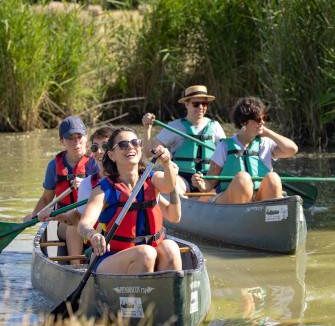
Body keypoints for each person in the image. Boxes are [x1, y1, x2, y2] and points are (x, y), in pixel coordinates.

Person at [78, 128, 183, 274]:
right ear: (111, 155)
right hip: (112, 257)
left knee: (170, 247)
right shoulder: (103, 190)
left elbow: (168, 186)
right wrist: (93, 235)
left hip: (149, 252)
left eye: (135, 142)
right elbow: (83, 225)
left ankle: (168, 293)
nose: (130, 147)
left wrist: (167, 163)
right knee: (145, 253)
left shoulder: (153, 179)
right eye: (123, 145)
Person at [191, 97, 298, 204]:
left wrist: (268, 133)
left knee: (273, 178)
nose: (262, 123)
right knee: (243, 178)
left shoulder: (266, 143)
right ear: (244, 122)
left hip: (258, 199)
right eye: (257, 119)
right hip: (230, 199)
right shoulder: (224, 146)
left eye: (263, 118)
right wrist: (201, 184)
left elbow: (292, 150)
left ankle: (273, 214)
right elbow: (210, 183)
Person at [25, 116, 99, 258]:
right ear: (61, 141)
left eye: (79, 136)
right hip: (64, 220)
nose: (76, 142)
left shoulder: (96, 161)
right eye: (70, 138)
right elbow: (47, 198)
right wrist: (33, 217)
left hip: (92, 217)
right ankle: (75, 268)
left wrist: (85, 184)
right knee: (74, 228)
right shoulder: (54, 166)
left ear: (86, 137)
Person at [142, 85, 225, 193]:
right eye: (196, 104)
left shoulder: (215, 126)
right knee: (175, 188)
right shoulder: (174, 127)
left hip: (209, 179)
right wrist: (147, 128)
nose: (201, 107)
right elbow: (149, 153)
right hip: (182, 178)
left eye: (204, 104)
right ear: (186, 104)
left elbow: (225, 156)